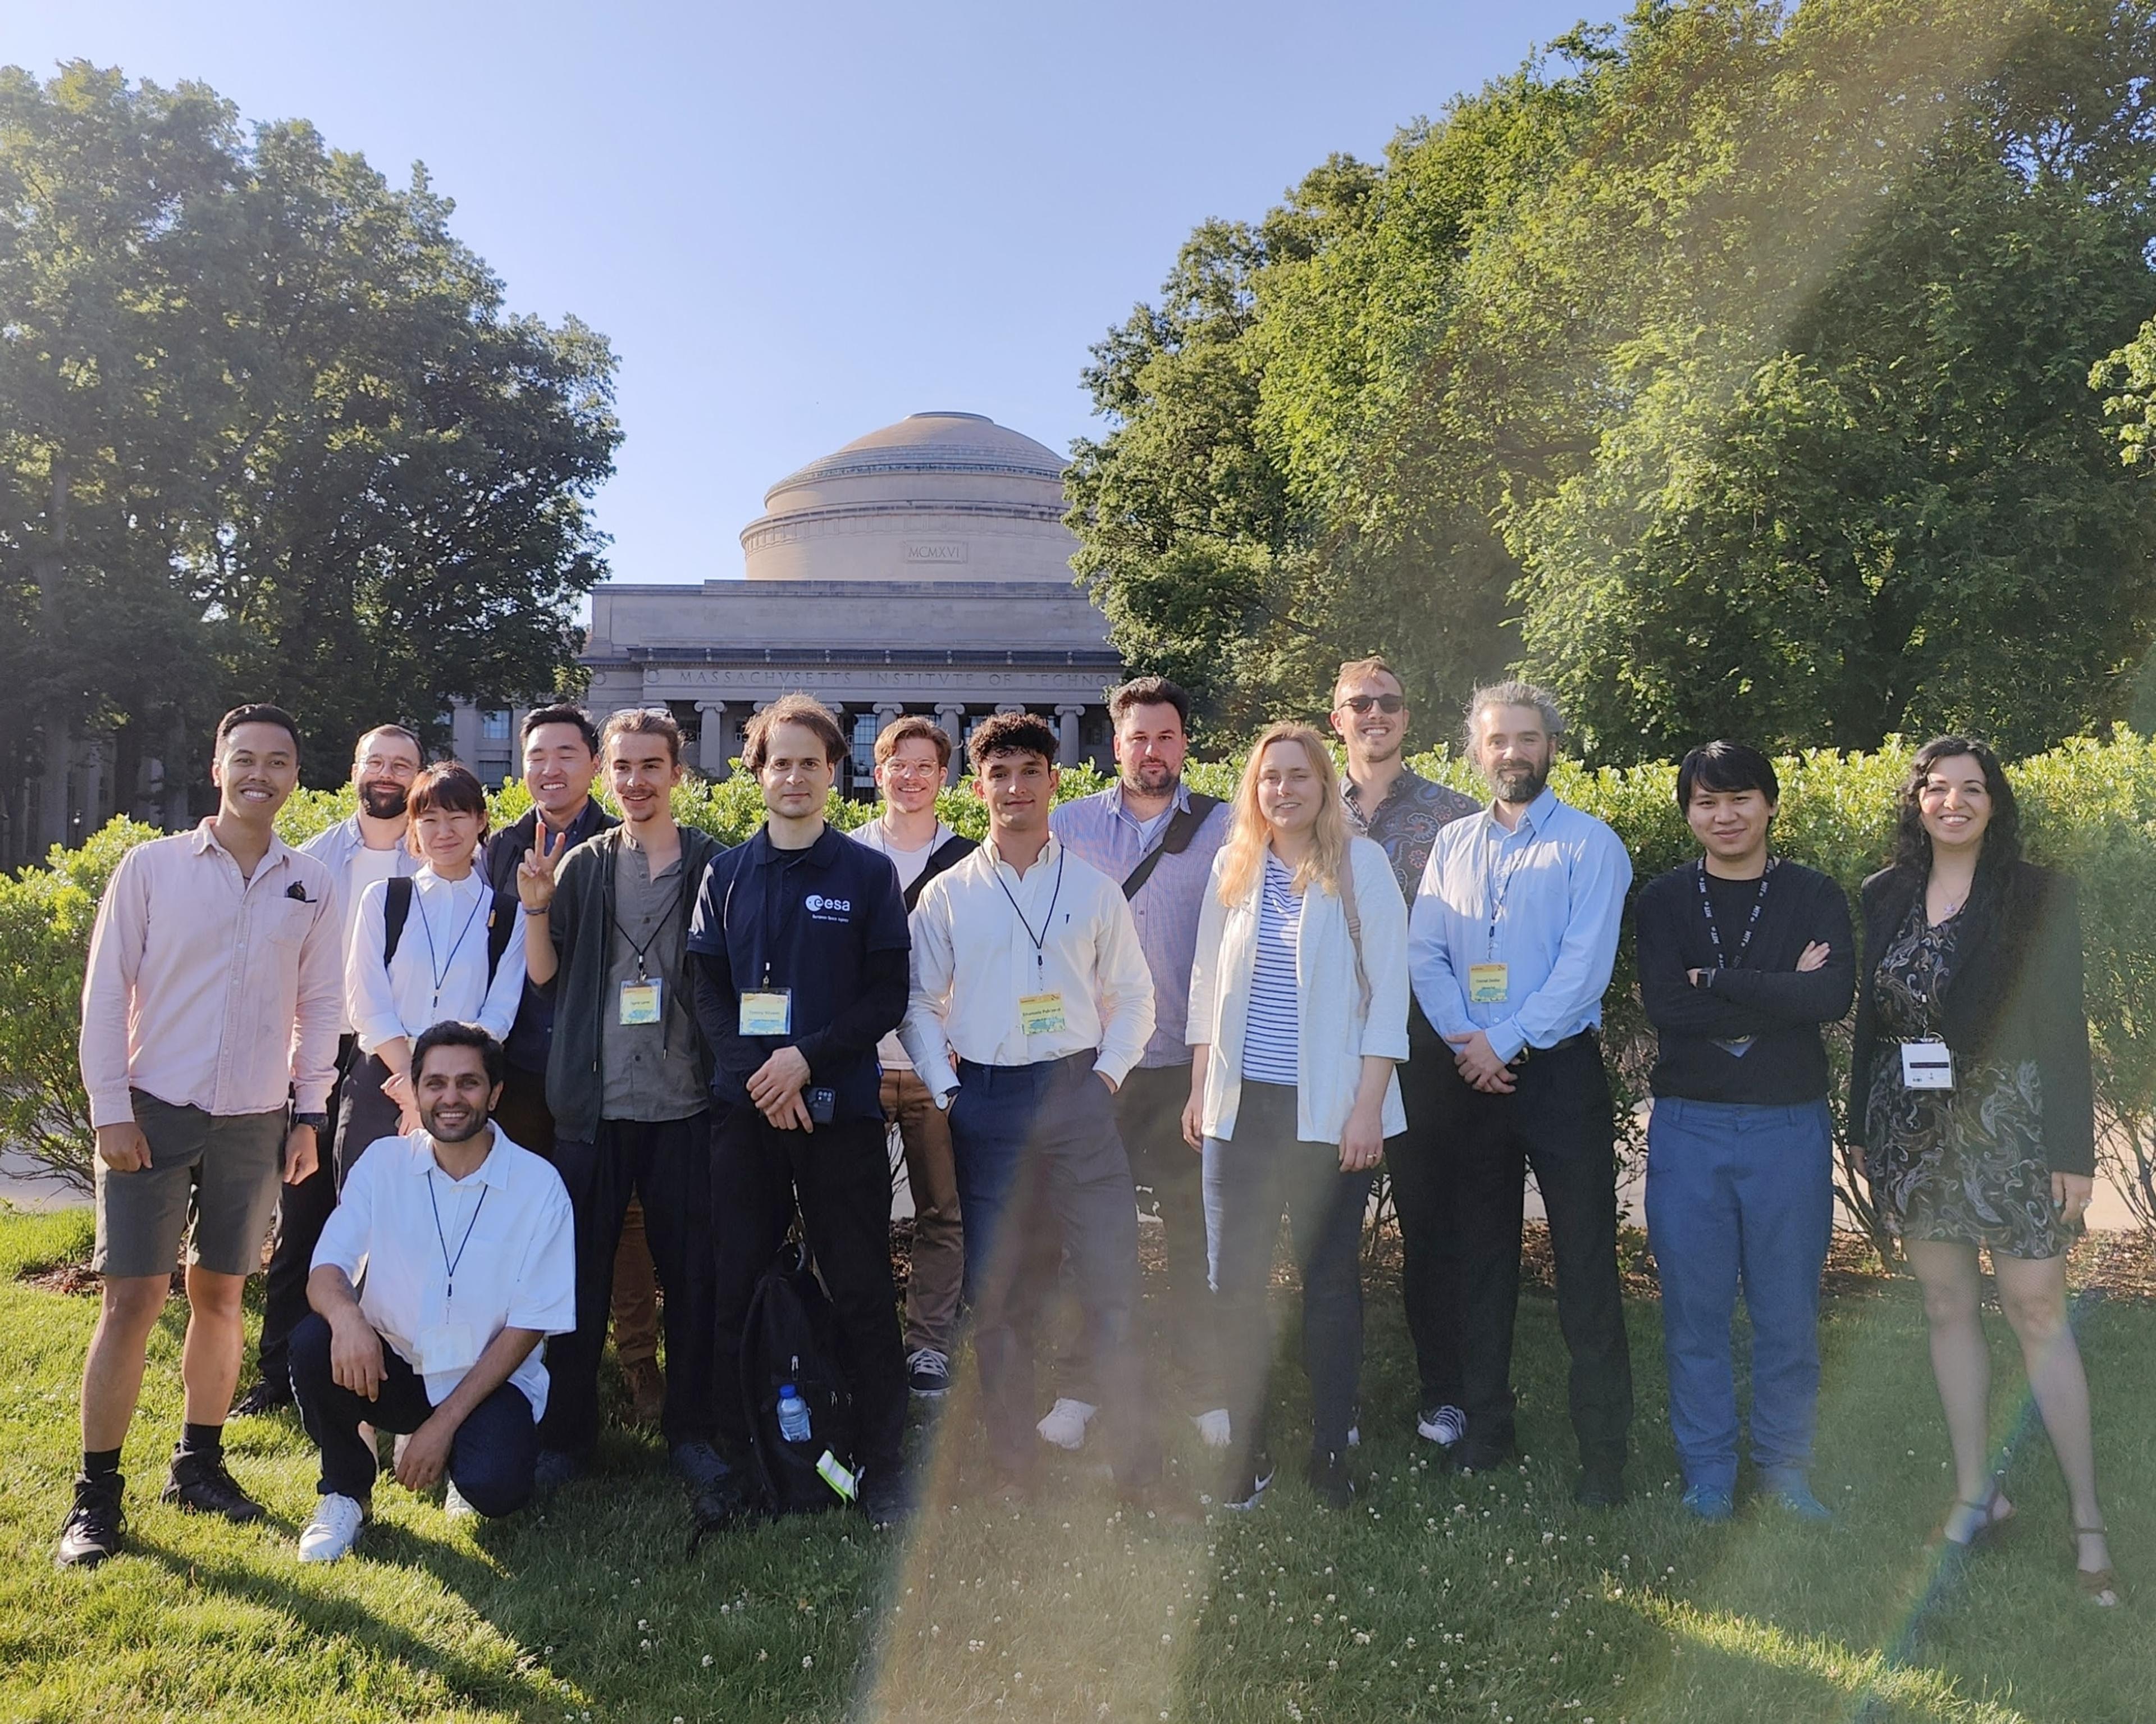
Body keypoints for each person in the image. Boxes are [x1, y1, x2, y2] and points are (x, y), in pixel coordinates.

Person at [60, 704, 341, 1568]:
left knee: (221, 1295)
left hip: (257, 1119)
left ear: (296, 775)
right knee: (133, 1299)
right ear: (217, 767)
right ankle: (95, 1497)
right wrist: (109, 1105)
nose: (261, 772)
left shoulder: (314, 883)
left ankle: (198, 1461)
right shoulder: (150, 869)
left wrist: (309, 1113)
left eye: (279, 761)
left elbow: (320, 1007)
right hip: (153, 1109)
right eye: (245, 758)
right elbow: (107, 992)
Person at [1849, 736, 2116, 1604]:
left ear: (1994, 803)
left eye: (1973, 789)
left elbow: (2065, 1022)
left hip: (2015, 1125)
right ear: (1916, 800)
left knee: (2038, 1308)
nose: (1954, 802)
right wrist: (1859, 1127)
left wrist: (2074, 1152)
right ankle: (1978, 1494)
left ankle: (2088, 1523)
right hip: (1912, 1129)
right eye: (1938, 787)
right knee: (1946, 1303)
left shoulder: (2039, 894)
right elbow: (1870, 1025)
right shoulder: (1883, 893)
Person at [900, 711, 1175, 1511]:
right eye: (999, 773)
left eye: (1030, 771)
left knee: (1112, 1283)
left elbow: (1135, 996)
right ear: (977, 786)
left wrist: (1108, 1079)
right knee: (1002, 1295)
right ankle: (1015, 1466)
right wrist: (947, 1092)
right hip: (985, 1103)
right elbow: (917, 1002)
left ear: (1056, 781)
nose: (1014, 787)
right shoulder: (947, 896)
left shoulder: (1092, 888)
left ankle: (1139, 1470)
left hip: (1079, 1096)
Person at [1406, 681, 1634, 1506]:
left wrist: (1501, 1040)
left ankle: (1603, 1453)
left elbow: (1583, 970)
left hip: (1559, 1074)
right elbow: (1424, 950)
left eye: (1528, 738)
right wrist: (1468, 1038)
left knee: (1584, 1264)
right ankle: (1488, 1432)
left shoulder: (1590, 845)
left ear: (1551, 747)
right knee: (1482, 1262)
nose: (1513, 752)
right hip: (1474, 1079)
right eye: (1498, 739)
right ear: (1477, 750)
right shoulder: (1452, 844)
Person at [689, 694, 913, 1525]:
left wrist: (803, 1058)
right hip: (746, 1114)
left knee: (858, 1286)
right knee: (735, 1282)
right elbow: (707, 988)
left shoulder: (866, 874)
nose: (794, 776)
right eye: (779, 761)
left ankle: (882, 1459)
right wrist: (760, 1077)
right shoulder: (726, 874)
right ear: (758, 772)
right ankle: (741, 1454)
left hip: (836, 1113)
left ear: (833, 772)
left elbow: (886, 992)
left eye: (809, 762)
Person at [1184, 724, 1408, 1510]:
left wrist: (1367, 1111)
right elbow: (1208, 987)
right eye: (1269, 777)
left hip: (1330, 1113)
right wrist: (1200, 1089)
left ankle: (1329, 1445)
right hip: (1241, 1113)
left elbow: (1389, 997)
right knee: (1231, 1283)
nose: (1283, 789)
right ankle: (1247, 1449)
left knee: (1329, 1282)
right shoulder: (1233, 865)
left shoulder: (1363, 866)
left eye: (1298, 776)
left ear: (1323, 785)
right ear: (1256, 788)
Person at [1634, 742, 1853, 1521]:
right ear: (1689, 811)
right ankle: (1708, 1473)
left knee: (1787, 1312)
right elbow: (1669, 1009)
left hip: (1787, 1127)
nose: (1723, 815)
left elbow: (1829, 996)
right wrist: (1780, 987)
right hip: (1690, 1127)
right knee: (1694, 1311)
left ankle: (1786, 1468)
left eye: (1739, 798)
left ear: (1768, 803)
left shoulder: (1814, 893)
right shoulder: (1663, 900)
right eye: (1705, 801)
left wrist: (1721, 980)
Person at [517, 706, 728, 1500]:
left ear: (678, 772)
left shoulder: (716, 863)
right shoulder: (584, 865)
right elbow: (546, 976)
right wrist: (536, 904)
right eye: (623, 767)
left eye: (651, 766)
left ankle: (693, 1432)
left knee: (693, 1279)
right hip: (596, 1109)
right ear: (607, 775)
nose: (636, 781)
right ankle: (569, 1436)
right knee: (578, 1280)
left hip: (685, 1106)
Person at [290, 1021, 575, 1560]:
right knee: (313, 1342)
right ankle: (345, 1492)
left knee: (496, 1487)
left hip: (487, 1381)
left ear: (495, 1094)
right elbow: (327, 1268)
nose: (451, 1098)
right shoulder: (383, 1165)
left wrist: (442, 1427)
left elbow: (529, 1325)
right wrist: (349, 1321)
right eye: (435, 1083)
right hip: (393, 1364)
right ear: (414, 1092)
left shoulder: (540, 1188)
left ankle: (459, 1467)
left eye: (468, 1083)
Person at [1047, 676, 1231, 1452]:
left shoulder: (1228, 827)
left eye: (1165, 736)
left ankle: (1206, 1386)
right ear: (1113, 743)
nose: (1151, 750)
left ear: (1184, 742)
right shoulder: (1067, 826)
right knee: (1089, 1235)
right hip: (1098, 1069)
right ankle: (1081, 1385)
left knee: (1195, 1234)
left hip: (1187, 1070)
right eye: (1136, 737)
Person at [239, 723, 424, 1417]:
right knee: (304, 1213)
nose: (387, 775)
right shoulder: (312, 861)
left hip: (403, 1056)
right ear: (353, 769)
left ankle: (390, 1366)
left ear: (419, 776)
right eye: (375, 761)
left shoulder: (438, 854)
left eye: (402, 765)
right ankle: (279, 1370)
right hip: (323, 1049)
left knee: (393, 1217)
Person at [482, 705, 659, 1426]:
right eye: (535, 756)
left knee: (623, 1227)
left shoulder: (619, 844)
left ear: (595, 765)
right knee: (522, 1220)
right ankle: (520, 1367)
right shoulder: (498, 848)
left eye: (565, 753)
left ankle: (640, 1368)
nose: (548, 769)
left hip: (602, 1068)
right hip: (522, 1070)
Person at [1329, 655, 1479, 1453]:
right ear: (1337, 717)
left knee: (1432, 1227)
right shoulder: (1309, 807)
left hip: (1423, 1050)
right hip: (1327, 1050)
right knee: (1326, 1235)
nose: (1375, 714)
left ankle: (1446, 1393)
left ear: (1407, 716)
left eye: (1389, 702)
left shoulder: (1455, 818)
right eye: (1361, 703)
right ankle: (1336, 1397)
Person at [848, 715, 974, 1400]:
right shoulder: (846, 854)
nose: (911, 776)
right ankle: (864, 1344)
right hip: (861, 1066)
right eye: (899, 763)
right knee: (856, 1214)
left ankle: (927, 1347)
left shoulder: (969, 859)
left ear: (944, 777)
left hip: (937, 1068)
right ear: (878, 770)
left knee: (942, 1214)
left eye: (925, 765)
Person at [339, 763, 523, 1171]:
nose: (444, 831)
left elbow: (500, 1012)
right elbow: (366, 1002)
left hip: (465, 1086)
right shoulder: (384, 899)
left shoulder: (508, 914)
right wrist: (411, 1082)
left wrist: (442, 1080)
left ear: (481, 821)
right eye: (430, 819)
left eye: (458, 817)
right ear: (414, 827)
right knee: (369, 1215)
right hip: (383, 1079)